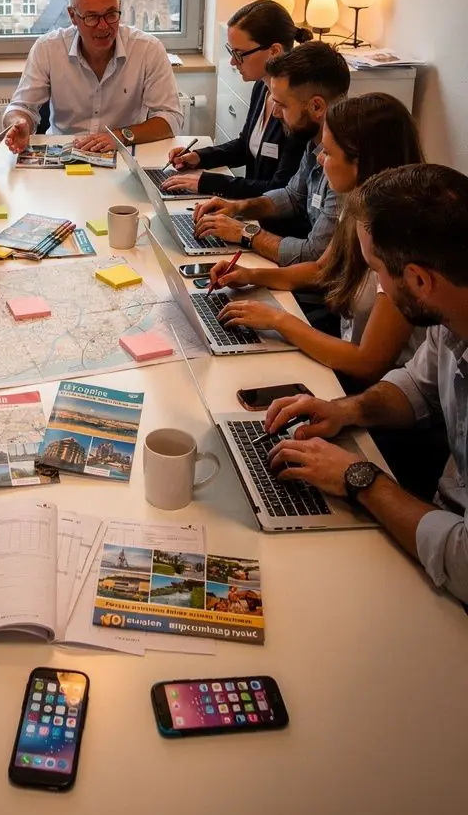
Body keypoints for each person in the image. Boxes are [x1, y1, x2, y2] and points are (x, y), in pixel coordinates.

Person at [264, 164, 468, 606]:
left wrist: (358, 478)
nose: (375, 286)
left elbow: (464, 561)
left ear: (418, 280)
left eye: (377, 272)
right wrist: (346, 410)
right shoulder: (449, 316)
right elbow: (416, 385)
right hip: (433, 524)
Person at [213, 93, 426, 384]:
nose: (320, 159)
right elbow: (323, 269)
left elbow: (367, 363)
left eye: (328, 152)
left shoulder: (402, 240)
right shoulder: (358, 206)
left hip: (376, 388)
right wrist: (251, 275)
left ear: (360, 163)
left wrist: (279, 320)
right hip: (342, 356)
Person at [193, 41, 351, 264]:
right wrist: (237, 208)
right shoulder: (313, 138)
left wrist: (244, 232)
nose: (275, 113)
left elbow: (314, 255)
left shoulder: (347, 164)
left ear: (317, 107)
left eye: (283, 105)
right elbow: (292, 196)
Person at [2, 0, 183, 155]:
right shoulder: (47, 49)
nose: (104, 26)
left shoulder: (147, 49)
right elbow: (20, 107)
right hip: (64, 154)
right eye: (92, 17)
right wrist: (20, 123)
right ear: (73, 16)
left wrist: (119, 137)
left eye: (111, 14)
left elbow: (170, 117)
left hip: (124, 152)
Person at [163, 0, 311, 197]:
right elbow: (245, 146)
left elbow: (279, 190)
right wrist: (199, 157)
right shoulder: (262, 87)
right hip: (251, 209)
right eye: (231, 51)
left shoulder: (296, 107)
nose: (233, 61)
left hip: (267, 219)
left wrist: (207, 182)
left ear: (274, 52)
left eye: (240, 54)